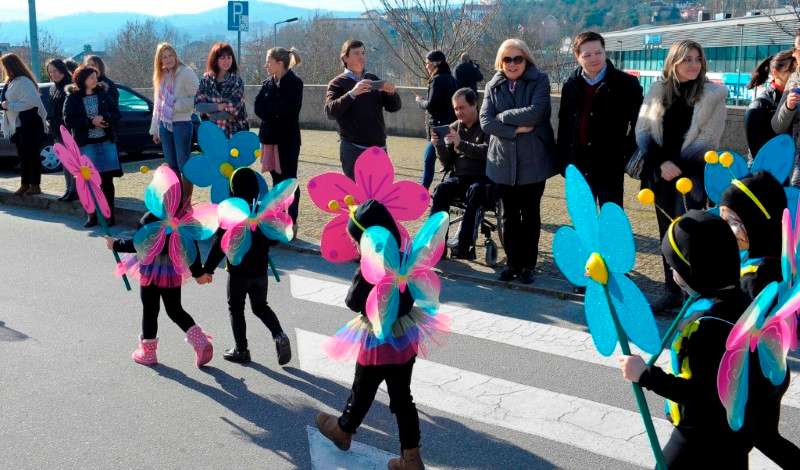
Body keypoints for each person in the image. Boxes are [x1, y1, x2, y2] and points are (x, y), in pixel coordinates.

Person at [315, 200, 449, 470]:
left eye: (357, 240)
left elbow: (353, 301)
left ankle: (343, 431)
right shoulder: (404, 256)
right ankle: (411, 457)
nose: (355, 246)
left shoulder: (372, 267)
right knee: (402, 399)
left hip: (377, 341)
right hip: (404, 338)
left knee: (362, 389)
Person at [618, 210, 756, 468]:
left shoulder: (709, 329)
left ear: (696, 272)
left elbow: (700, 393)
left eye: (674, 267)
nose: (671, 273)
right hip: (735, 433)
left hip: (698, 436)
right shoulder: (741, 301)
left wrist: (646, 375)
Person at [635, 40, 727, 312]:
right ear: (673, 61)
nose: (694, 65)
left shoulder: (713, 96)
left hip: (692, 175)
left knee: (690, 235)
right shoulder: (657, 91)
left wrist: (676, 165)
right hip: (659, 174)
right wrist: (662, 163)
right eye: (687, 59)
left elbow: (708, 140)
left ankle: (692, 294)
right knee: (666, 233)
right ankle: (670, 290)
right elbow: (643, 131)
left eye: (698, 59)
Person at [718, 172, 800, 467]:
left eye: (733, 222)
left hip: (752, 378)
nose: (726, 229)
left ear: (756, 222)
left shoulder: (758, 275)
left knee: (737, 444)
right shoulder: (762, 261)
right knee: (765, 438)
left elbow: (739, 320)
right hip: (770, 372)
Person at [105, 176, 214, 368]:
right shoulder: (184, 221)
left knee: (150, 310)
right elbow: (191, 249)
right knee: (175, 309)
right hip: (171, 271)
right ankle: (200, 342)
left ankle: (148, 353)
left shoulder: (149, 218)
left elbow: (139, 243)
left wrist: (116, 244)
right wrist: (198, 273)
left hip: (150, 272)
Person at [479, 38, 559, 284]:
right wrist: (514, 129)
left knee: (530, 215)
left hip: (533, 162)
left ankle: (528, 266)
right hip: (502, 163)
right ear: (500, 62)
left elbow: (536, 113)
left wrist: (502, 116)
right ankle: (512, 263)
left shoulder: (540, 81)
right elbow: (485, 121)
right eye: (507, 59)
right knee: (508, 217)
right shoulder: (494, 85)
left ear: (526, 59)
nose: (512, 64)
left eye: (517, 58)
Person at [202, 168, 291, 365]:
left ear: (232, 188)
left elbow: (220, 245)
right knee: (260, 306)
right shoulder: (264, 210)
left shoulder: (232, 212)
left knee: (236, 308)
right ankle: (279, 335)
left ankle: (241, 350)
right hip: (260, 272)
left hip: (238, 273)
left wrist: (207, 270)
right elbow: (274, 239)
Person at [557, 31, 643, 207]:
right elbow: (564, 125)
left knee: (610, 218)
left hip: (610, 164)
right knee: (582, 220)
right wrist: (564, 160)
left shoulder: (626, 84)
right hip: (578, 163)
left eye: (598, 53)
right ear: (577, 57)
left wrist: (625, 153)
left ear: (605, 52)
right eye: (587, 54)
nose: (594, 58)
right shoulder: (570, 85)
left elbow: (639, 124)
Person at [325, 39, 401, 179]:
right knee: (357, 196)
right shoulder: (337, 83)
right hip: (353, 148)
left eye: (363, 53)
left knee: (378, 196)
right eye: (356, 53)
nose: (361, 57)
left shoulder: (372, 79)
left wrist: (392, 93)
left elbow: (394, 107)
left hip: (379, 147)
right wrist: (352, 93)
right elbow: (330, 111)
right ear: (345, 57)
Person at [430, 87, 490, 260]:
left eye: (462, 107)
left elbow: (488, 153)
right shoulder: (454, 127)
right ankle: (437, 246)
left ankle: (463, 246)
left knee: (476, 191)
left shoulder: (487, 126)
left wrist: (461, 143)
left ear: (474, 105)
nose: (458, 112)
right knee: (440, 190)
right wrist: (439, 145)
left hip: (483, 177)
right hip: (460, 177)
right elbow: (447, 162)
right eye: (456, 109)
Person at [63, 65, 122, 227]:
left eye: (96, 76)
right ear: (82, 80)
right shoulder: (73, 97)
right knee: (88, 181)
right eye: (91, 77)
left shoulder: (103, 94)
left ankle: (109, 215)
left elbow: (117, 113)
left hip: (105, 142)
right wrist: (90, 122)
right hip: (86, 145)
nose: (95, 80)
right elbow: (69, 120)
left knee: (107, 181)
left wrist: (105, 118)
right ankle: (92, 215)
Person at [254, 47, 303, 230]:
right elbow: (259, 107)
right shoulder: (267, 83)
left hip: (287, 140)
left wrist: (272, 111)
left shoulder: (295, 83)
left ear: (280, 63)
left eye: (269, 61)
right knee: (276, 181)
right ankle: (278, 220)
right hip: (269, 139)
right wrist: (273, 112)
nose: (266, 65)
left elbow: (289, 110)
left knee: (289, 180)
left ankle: (292, 220)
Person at [150, 43, 199, 200]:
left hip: (182, 123)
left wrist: (176, 105)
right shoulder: (161, 76)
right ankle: (176, 200)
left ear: (176, 56)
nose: (168, 59)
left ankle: (186, 201)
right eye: (164, 56)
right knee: (172, 165)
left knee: (183, 164)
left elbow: (198, 97)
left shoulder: (185, 73)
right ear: (160, 60)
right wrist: (155, 129)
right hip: (165, 124)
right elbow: (158, 105)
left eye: (171, 55)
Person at [0, 53, 47, 196]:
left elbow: (31, 102)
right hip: (19, 124)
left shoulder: (24, 81)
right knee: (23, 156)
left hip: (30, 123)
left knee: (32, 155)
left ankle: (35, 185)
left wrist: (9, 105)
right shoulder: (11, 81)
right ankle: (25, 184)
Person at [416, 50, 459, 189]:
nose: (426, 66)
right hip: (450, 124)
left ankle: (422, 190)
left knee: (428, 160)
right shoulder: (452, 79)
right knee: (447, 160)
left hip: (438, 128)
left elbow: (431, 105)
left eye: (428, 63)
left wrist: (420, 101)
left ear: (436, 64)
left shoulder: (437, 79)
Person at [746, 50, 795, 159]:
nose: (795, 75)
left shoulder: (795, 98)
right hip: (765, 170)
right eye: (791, 70)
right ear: (775, 72)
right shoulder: (759, 105)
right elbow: (757, 153)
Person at [195, 43, 248, 138]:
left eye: (229, 57)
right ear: (215, 60)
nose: (226, 61)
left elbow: (234, 109)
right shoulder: (205, 81)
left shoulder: (236, 81)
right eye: (222, 58)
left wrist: (212, 114)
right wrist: (219, 107)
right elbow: (199, 106)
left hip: (235, 132)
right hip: (211, 133)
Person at [772, 30, 800, 186]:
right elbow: (777, 126)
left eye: (797, 50)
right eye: (795, 49)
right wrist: (788, 106)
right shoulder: (795, 79)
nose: (795, 54)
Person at [46, 58, 76, 201]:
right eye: (50, 72)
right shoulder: (53, 87)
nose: (54, 74)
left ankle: (75, 190)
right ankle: (68, 188)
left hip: (69, 131)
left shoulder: (70, 86)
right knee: (64, 161)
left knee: (73, 162)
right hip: (56, 130)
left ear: (63, 69)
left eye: (56, 71)